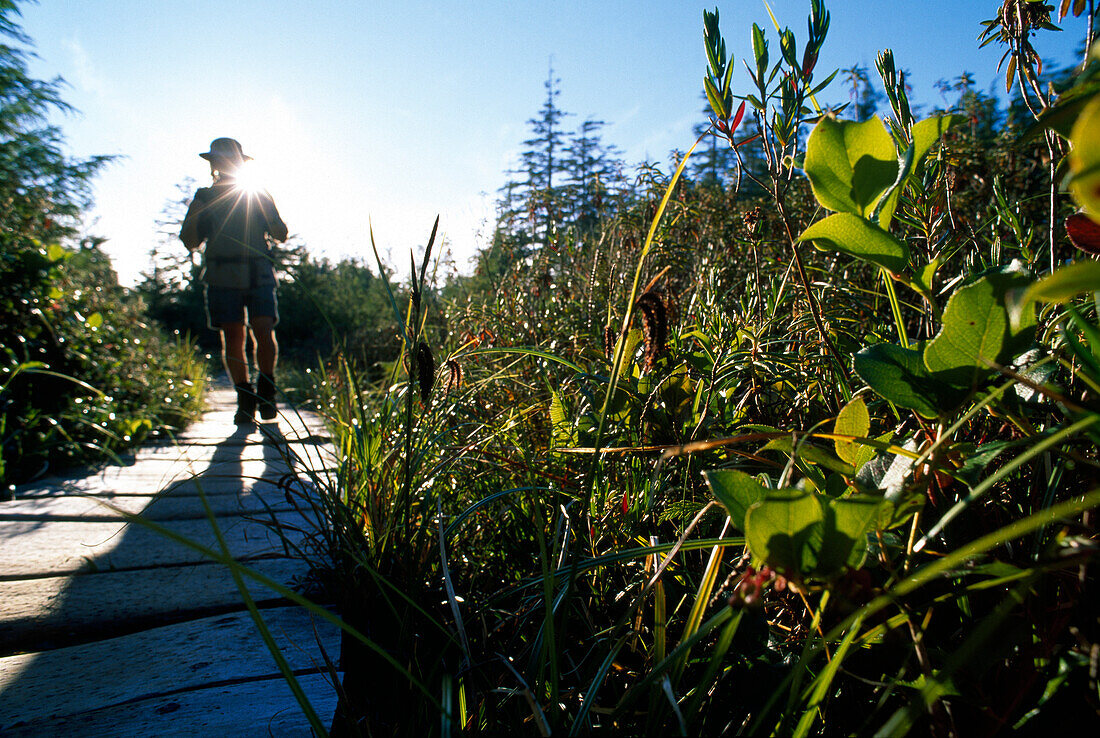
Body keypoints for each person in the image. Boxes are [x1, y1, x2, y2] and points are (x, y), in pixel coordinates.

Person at [180, 137, 288, 425]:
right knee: (233, 336)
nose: (225, 164)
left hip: (258, 271)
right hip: (221, 274)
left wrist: (269, 215)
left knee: (264, 329)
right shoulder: (204, 197)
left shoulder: (258, 194)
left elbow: (280, 233)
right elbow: (190, 241)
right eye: (220, 160)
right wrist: (196, 211)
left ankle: (266, 390)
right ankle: (244, 398)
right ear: (214, 165)